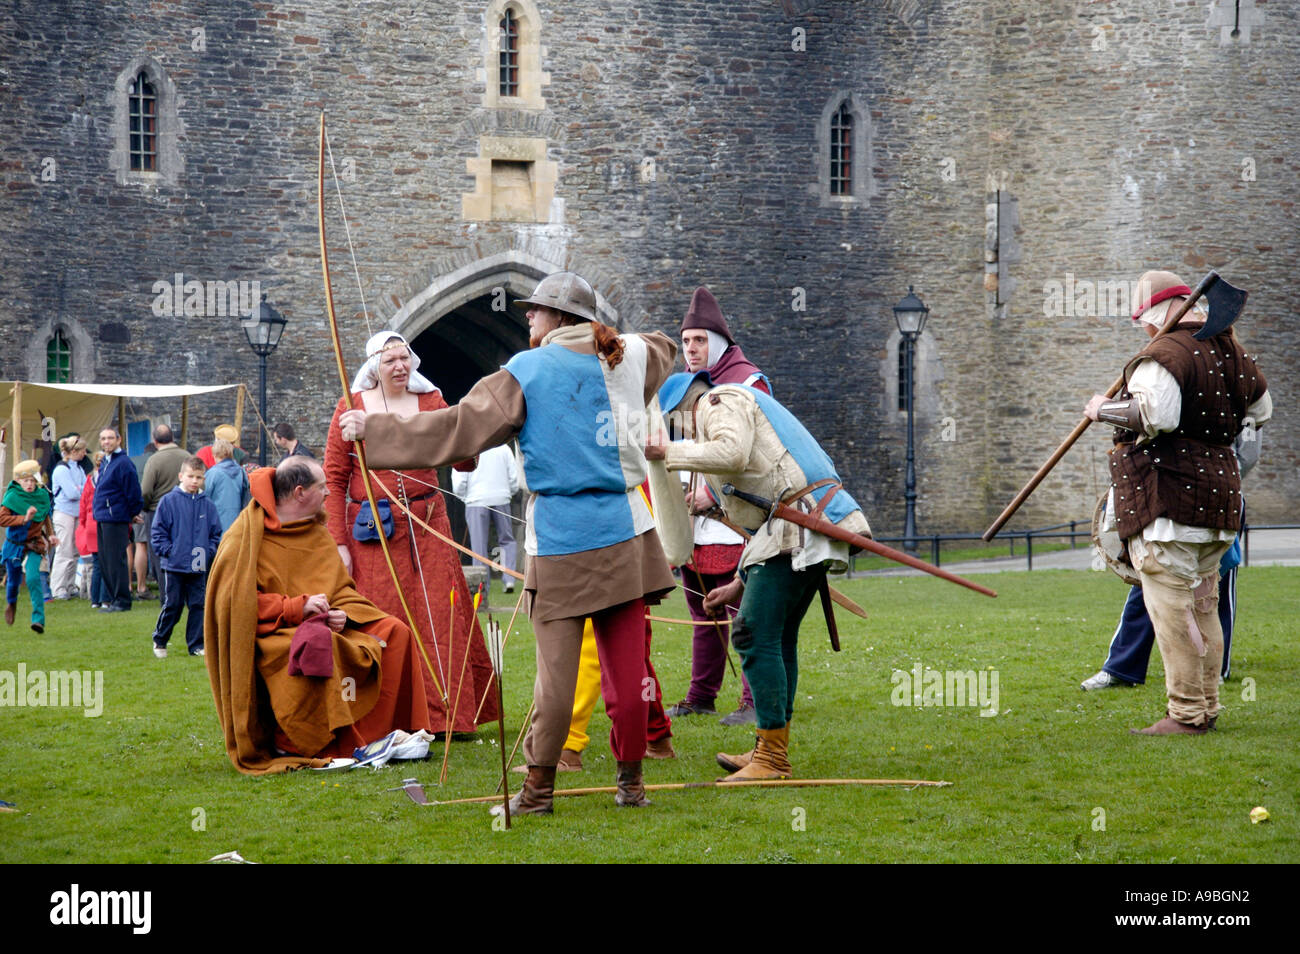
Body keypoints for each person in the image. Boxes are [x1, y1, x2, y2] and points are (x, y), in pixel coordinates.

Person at [341, 270, 678, 815]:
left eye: (537, 310)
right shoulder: (631, 356)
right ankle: (630, 786)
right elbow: (665, 346)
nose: (528, 317)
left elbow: (457, 429)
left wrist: (375, 432)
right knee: (628, 672)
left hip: (566, 539)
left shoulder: (527, 370)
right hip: (629, 535)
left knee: (556, 678)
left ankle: (539, 792)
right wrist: (611, 336)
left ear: (561, 319)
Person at [650, 371, 872, 780]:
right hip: (796, 525)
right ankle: (769, 749)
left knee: (752, 633)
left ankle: (771, 758)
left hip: (800, 522)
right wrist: (739, 581)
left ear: (680, 411)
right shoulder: (724, 406)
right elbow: (758, 520)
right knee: (776, 636)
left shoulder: (719, 401)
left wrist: (666, 452)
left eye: (673, 426)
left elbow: (732, 453)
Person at [1083, 270, 1270, 735]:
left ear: (1155, 315)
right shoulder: (1234, 352)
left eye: (1145, 322)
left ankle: (1186, 714)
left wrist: (1099, 409)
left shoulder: (1163, 355)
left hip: (1171, 502)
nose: (1145, 331)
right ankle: (1206, 706)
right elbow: (1262, 411)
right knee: (1204, 607)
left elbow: (1156, 416)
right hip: (1221, 501)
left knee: (1171, 609)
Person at [204, 457, 437, 775]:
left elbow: (339, 588)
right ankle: (303, 742)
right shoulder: (243, 538)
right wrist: (295, 608)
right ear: (299, 492)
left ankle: (384, 735)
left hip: (326, 625)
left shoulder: (316, 530)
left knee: (393, 631)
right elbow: (235, 605)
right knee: (317, 643)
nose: (330, 493)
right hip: (273, 634)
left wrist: (343, 613)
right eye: (322, 487)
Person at [324, 331, 498, 736]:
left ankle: (447, 718)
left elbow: (463, 461)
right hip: (374, 532)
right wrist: (338, 542)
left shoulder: (431, 402)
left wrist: (466, 437)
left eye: (405, 358)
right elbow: (334, 479)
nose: (400, 366)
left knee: (441, 614)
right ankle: (391, 718)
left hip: (429, 523)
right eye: (391, 361)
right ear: (374, 368)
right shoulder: (350, 408)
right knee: (386, 618)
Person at [667, 286, 771, 726]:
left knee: (743, 610)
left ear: (719, 341)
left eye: (699, 341)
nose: (691, 349)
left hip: (738, 517)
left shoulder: (749, 383)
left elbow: (759, 453)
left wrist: (715, 493)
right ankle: (702, 695)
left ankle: (753, 700)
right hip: (696, 521)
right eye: (687, 341)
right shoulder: (686, 387)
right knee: (701, 607)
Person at [149, 457, 222, 658]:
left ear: (204, 479)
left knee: (198, 605)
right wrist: (169, 550)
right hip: (174, 563)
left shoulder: (207, 504)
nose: (194, 481)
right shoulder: (168, 501)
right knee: (173, 604)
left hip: (199, 561)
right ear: (181, 476)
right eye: (190, 476)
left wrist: (209, 551)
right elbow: (157, 532)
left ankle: (196, 645)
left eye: (199, 477)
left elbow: (215, 533)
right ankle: (160, 639)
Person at [451, 443, 519, 594]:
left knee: (479, 546)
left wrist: (465, 497)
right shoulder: (503, 448)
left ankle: (483, 587)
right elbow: (514, 478)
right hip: (501, 497)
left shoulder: (469, 446)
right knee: (507, 540)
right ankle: (509, 579)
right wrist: (508, 492)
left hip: (476, 500)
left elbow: (459, 482)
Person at [1, 459, 59, 633]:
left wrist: (51, 534)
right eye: (25, 481)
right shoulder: (12, 497)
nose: (29, 484)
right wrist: (23, 519)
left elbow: (45, 515)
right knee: (13, 582)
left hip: (34, 544)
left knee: (34, 578)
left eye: (32, 481)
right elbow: (2, 519)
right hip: (14, 545)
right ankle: (11, 603)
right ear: (19, 481)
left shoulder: (41, 495)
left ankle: (38, 620)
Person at [92, 427, 143, 613]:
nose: (106, 442)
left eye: (110, 438)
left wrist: (131, 512)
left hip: (115, 517)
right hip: (103, 516)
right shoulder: (106, 462)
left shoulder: (123, 463)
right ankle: (114, 599)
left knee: (116, 560)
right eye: (103, 438)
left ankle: (122, 600)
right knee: (106, 560)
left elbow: (134, 492)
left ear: (119, 440)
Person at [139, 424, 189, 598]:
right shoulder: (187, 457)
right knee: (183, 552)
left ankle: (167, 595)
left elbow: (145, 490)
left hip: (157, 512)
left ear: (155, 441)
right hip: (185, 512)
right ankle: (184, 594)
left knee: (160, 555)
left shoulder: (154, 460)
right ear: (173, 438)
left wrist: (144, 507)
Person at [49, 436, 88, 600]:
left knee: (74, 551)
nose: (85, 454)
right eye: (83, 450)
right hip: (64, 513)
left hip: (76, 513)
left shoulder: (78, 469)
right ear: (74, 451)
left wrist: (78, 489)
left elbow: (84, 490)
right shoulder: (61, 469)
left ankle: (70, 585)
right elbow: (73, 493)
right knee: (64, 550)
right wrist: (79, 489)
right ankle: (57, 588)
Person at [77, 451, 105, 607]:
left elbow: (83, 503)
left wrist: (83, 523)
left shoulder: (89, 480)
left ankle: (94, 599)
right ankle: (104, 598)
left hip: (90, 522)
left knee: (95, 563)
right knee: (106, 563)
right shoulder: (108, 478)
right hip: (103, 522)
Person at [205, 438, 251, 533]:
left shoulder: (213, 473)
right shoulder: (241, 472)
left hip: (216, 522)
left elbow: (204, 497)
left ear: (215, 455)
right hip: (237, 521)